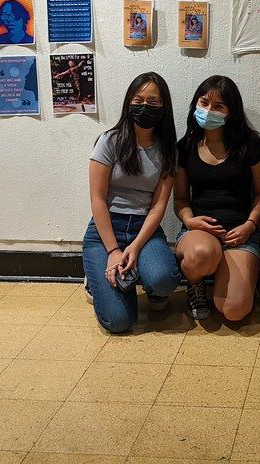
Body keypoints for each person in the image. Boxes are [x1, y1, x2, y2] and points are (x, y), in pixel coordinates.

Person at [83, 72, 182, 333]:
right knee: (119, 322)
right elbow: (98, 199)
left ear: (164, 107)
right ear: (129, 103)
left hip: (145, 231)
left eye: (153, 101)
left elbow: (159, 206)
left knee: (164, 280)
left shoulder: (169, 148)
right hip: (106, 231)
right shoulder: (109, 141)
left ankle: (145, 281)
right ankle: (95, 280)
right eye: (138, 100)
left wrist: (136, 247)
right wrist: (114, 250)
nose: (144, 106)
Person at [174, 76, 260, 321]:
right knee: (202, 253)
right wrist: (190, 221)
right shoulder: (184, 147)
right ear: (195, 103)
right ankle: (195, 285)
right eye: (204, 103)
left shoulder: (250, 145)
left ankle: (239, 280)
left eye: (218, 107)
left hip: (241, 233)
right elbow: (181, 200)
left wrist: (250, 226)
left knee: (234, 311)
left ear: (230, 112)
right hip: (199, 233)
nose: (208, 111)